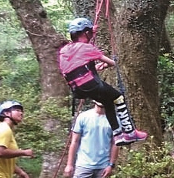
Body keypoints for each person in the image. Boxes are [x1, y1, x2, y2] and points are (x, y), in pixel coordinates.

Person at [57, 17, 148, 146]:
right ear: (85, 33)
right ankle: (129, 132)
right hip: (91, 84)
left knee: (107, 102)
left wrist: (94, 67)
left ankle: (117, 135)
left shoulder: (65, 50)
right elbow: (111, 63)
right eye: (89, 33)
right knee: (118, 97)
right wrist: (107, 64)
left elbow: (75, 67)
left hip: (77, 89)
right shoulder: (87, 48)